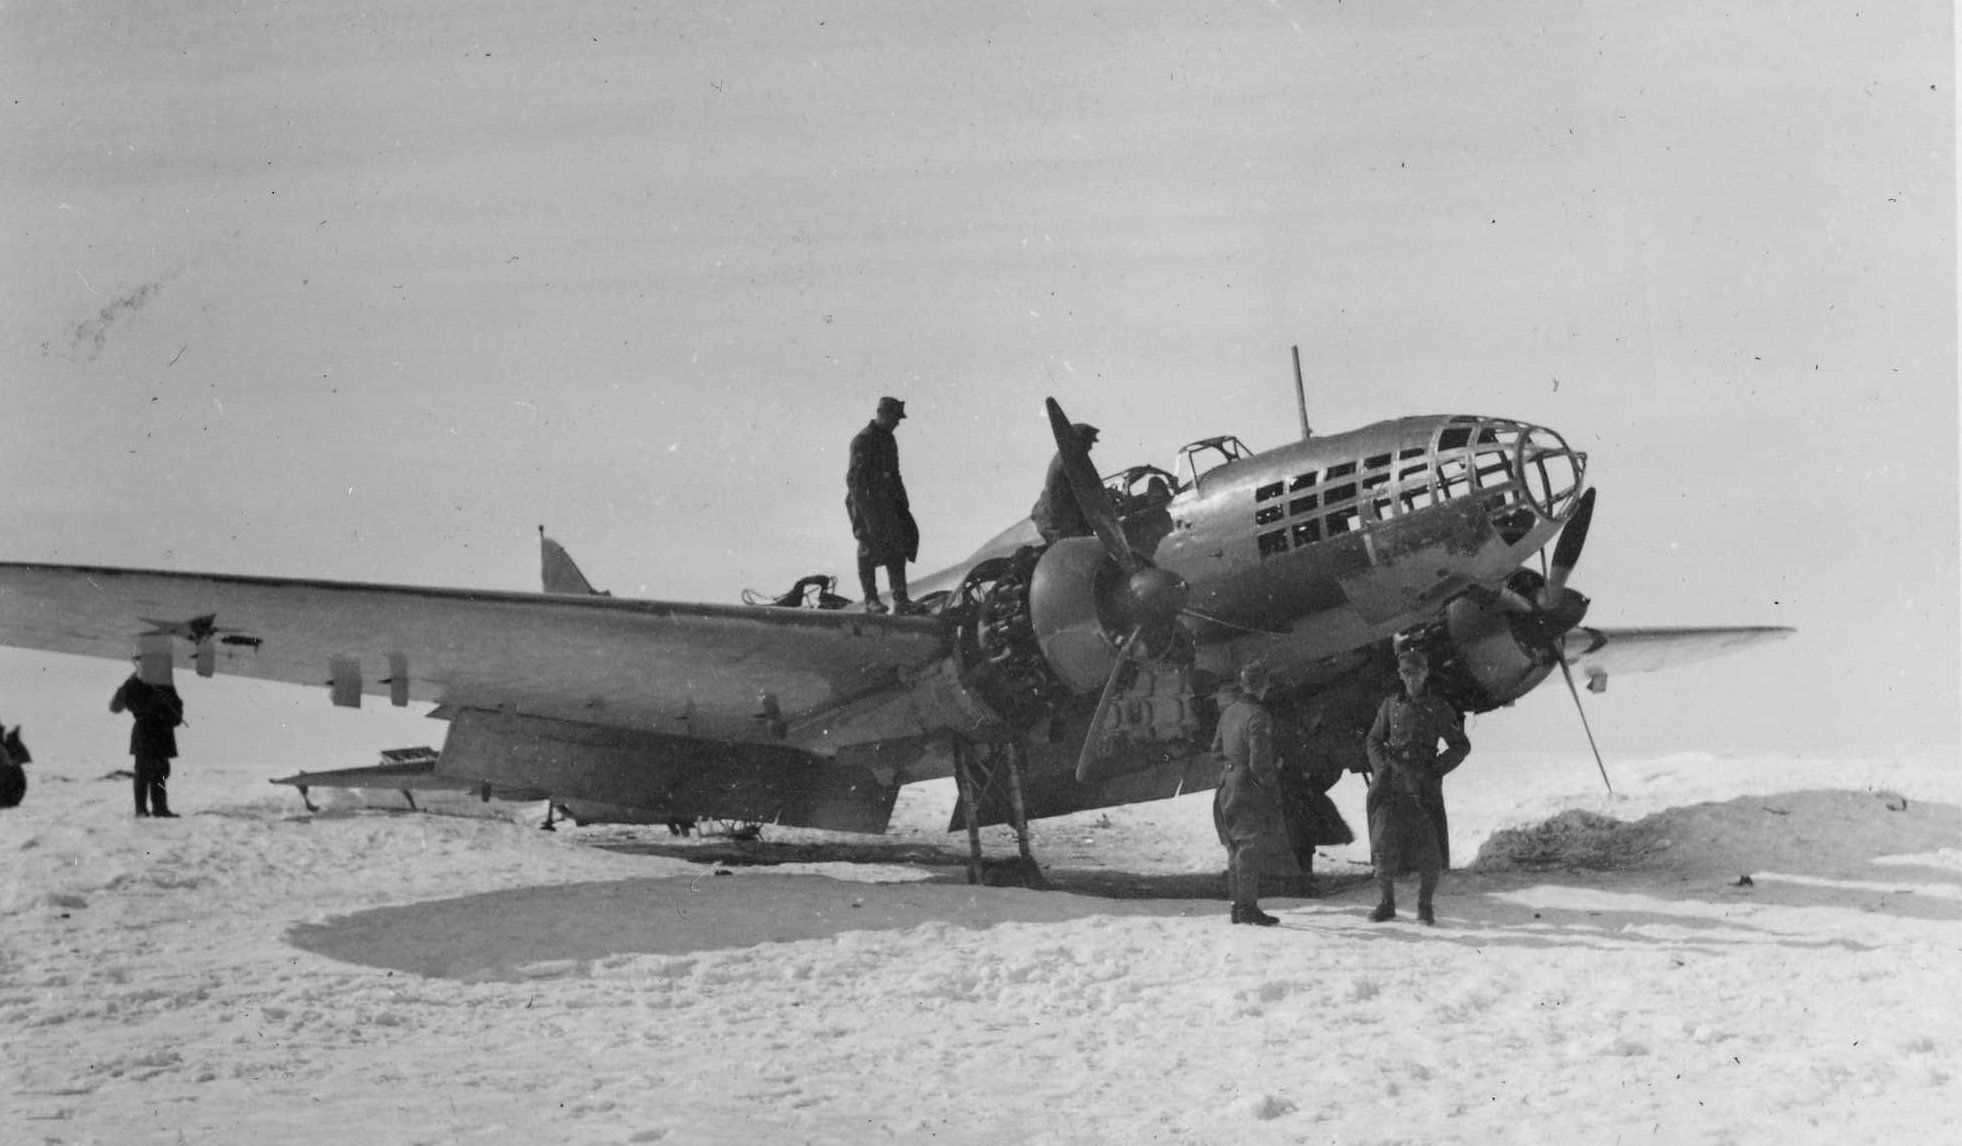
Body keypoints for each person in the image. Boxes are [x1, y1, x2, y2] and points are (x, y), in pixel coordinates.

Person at [1363, 649, 1470, 925]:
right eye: (1406, 673)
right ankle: (1386, 903)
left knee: (1429, 852)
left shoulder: (1438, 707)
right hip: (1393, 783)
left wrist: (1435, 770)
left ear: (1426, 673)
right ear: (1400, 675)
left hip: (1423, 785)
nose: (1411, 679)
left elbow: (1460, 745)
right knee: (1384, 847)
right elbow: (1374, 740)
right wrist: (1381, 769)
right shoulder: (1390, 705)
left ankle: (1425, 906)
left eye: (1417, 672)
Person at [1212, 662, 1286, 926]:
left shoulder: (1229, 712)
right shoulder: (1259, 715)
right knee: (1249, 848)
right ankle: (1247, 908)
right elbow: (1260, 761)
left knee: (1235, 848)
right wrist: (1270, 786)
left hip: (1227, 784)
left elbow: (1216, 751)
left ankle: (1238, 906)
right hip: (1247, 787)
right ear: (1263, 686)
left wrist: (1232, 770)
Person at [845, 396, 920, 614]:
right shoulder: (863, 440)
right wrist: (867, 514)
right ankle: (871, 600)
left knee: (897, 548)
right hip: (866, 502)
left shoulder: (888, 439)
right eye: (895, 418)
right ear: (883, 415)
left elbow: (895, 473)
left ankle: (901, 599)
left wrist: (902, 503)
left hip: (888, 502)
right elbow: (854, 480)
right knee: (868, 549)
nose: (897, 423)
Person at [110, 664, 185, 818]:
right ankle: (146, 809)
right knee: (147, 772)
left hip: (154, 732)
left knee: (158, 772)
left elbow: (116, 706)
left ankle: (155, 808)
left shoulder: (157, 683)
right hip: (153, 732)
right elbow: (116, 706)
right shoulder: (140, 682)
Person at [1030, 422, 1100, 543]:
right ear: (1078, 441)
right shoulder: (1068, 462)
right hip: (1056, 520)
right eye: (1088, 442)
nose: (1090, 447)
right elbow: (1085, 492)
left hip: (1054, 514)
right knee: (1080, 548)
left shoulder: (1067, 458)